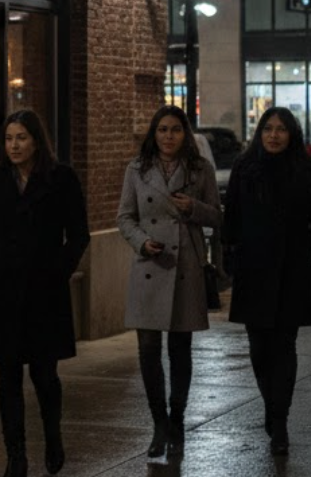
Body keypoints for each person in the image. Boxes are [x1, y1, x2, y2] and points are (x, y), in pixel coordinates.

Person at [0, 109, 90, 477]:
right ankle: (16, 454)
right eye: (9, 138)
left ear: (37, 141)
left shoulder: (61, 178)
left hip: (44, 292)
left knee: (44, 375)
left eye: (21, 138)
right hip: (5, 294)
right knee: (7, 377)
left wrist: (58, 271)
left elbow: (78, 234)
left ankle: (53, 436)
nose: (14, 145)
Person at [222, 107, 311, 457]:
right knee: (259, 349)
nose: (274, 135)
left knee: (284, 348)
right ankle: (272, 408)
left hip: (294, 270)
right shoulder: (245, 168)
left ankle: (280, 422)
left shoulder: (306, 172)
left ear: (292, 135)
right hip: (253, 271)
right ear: (260, 133)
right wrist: (230, 262)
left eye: (281, 130)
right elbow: (233, 220)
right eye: (268, 129)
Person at [117, 105, 221, 460]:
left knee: (180, 351)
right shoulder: (137, 169)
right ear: (153, 133)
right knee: (148, 351)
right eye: (162, 130)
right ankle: (158, 423)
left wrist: (193, 207)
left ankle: (177, 420)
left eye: (175, 130)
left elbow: (219, 217)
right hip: (149, 265)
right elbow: (125, 216)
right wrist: (141, 242)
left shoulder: (200, 169)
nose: (168, 136)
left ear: (185, 134)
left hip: (185, 267)